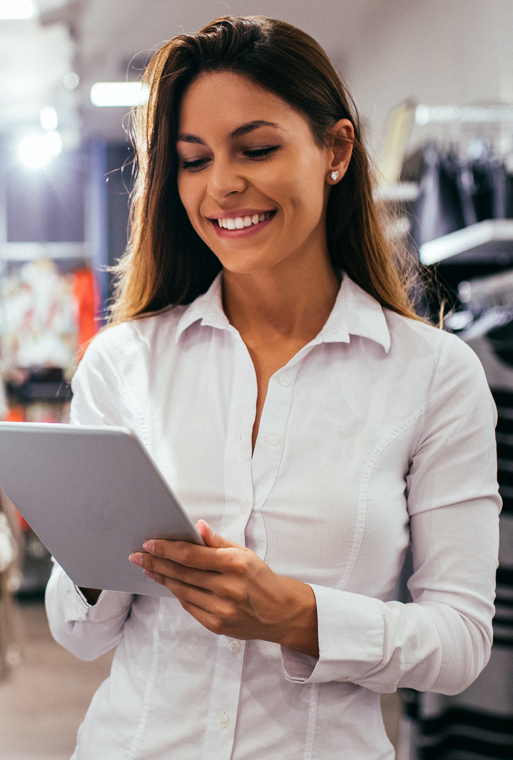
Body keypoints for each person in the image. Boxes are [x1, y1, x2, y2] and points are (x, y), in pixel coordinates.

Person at [45, 15, 501, 760]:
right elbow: (78, 634)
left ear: (336, 150)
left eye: (256, 149)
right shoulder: (124, 362)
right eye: (193, 161)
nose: (223, 185)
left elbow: (460, 641)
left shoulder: (434, 375)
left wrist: (300, 616)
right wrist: (102, 556)